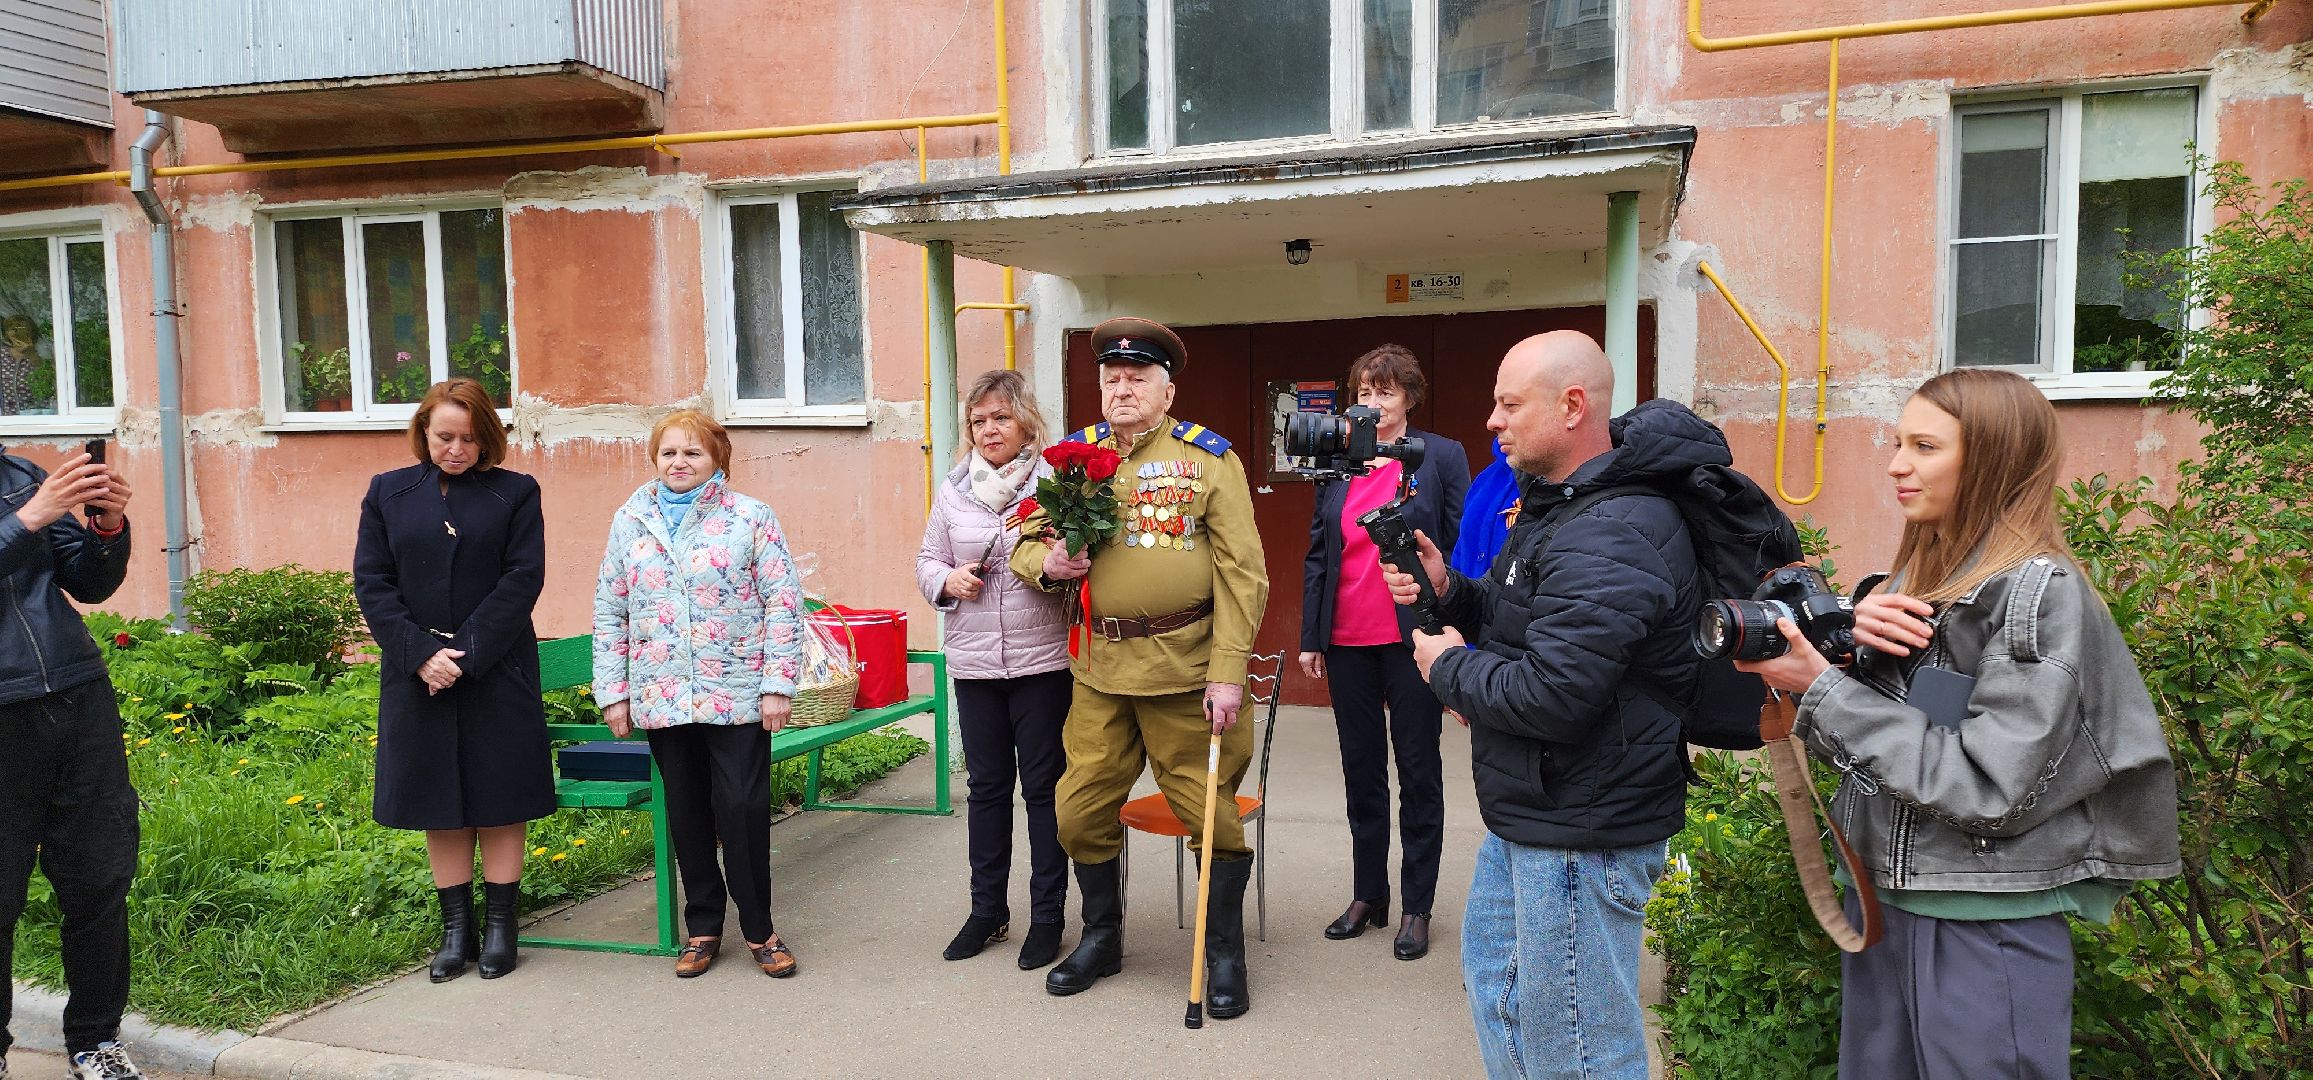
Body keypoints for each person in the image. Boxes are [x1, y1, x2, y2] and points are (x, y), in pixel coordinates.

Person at [1736, 368, 2180, 1079]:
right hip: (1881, 903)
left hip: (1984, 920)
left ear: (1992, 461)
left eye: (1924, 446)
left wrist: (1824, 692)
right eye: (1895, 442)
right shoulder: (1911, 589)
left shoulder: (2038, 593)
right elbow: (1878, 756)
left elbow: (1984, 788)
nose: (1895, 464)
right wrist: (1836, 654)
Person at [1385, 330, 1706, 1080]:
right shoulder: (1562, 506)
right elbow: (1526, 623)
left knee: (1581, 1049)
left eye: (1507, 403)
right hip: (1537, 809)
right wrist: (1448, 591)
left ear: (1570, 406)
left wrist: (1448, 667)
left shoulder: (1611, 529)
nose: (1491, 420)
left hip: (1581, 824)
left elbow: (1553, 693)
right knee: (1506, 997)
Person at [1009, 316, 1269, 1017]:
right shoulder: (1072, 457)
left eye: (1137, 378)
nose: (1122, 388)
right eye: (1112, 378)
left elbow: (1243, 573)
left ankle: (1222, 955)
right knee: (1077, 810)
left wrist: (1226, 671)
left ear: (1166, 388)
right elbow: (1024, 545)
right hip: (1099, 671)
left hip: (1185, 672)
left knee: (1208, 819)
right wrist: (1048, 562)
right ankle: (1101, 937)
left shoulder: (1207, 460)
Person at [593, 410, 805, 980]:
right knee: (686, 813)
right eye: (668, 453)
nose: (679, 463)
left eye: (692, 453)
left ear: (717, 459)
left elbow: (783, 603)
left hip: (735, 693)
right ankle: (703, 926)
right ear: (654, 459)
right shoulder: (631, 521)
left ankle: (759, 929)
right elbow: (611, 610)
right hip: (662, 694)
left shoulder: (750, 517)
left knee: (741, 809)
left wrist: (777, 685)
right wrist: (614, 692)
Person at [353, 378, 551, 984]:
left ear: (485, 438)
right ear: (424, 434)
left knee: (499, 798)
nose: (456, 448)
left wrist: (462, 655)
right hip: (417, 675)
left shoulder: (515, 493)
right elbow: (373, 580)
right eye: (444, 437)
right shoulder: (388, 492)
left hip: (495, 668)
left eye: (467, 438)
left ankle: (500, 929)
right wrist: (420, 654)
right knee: (439, 800)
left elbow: (522, 578)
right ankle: (455, 931)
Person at [1297, 343, 1468, 960]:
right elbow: (1321, 552)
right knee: (1361, 771)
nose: (1372, 404)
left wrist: (1456, 627)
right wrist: (1312, 637)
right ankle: (1369, 893)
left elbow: (1459, 545)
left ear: (1409, 399)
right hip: (1347, 639)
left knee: (1419, 771)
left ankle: (1418, 906)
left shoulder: (1441, 455)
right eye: (1364, 392)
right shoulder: (1339, 461)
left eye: (1385, 393)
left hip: (1413, 638)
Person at [915, 369, 1072, 970]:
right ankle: (988, 912)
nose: (989, 430)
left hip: (1041, 662)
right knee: (986, 790)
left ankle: (1048, 918)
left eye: (1000, 418)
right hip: (975, 664)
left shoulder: (1055, 482)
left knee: (1042, 791)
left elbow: (1073, 554)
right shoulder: (955, 489)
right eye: (979, 421)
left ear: (1024, 420)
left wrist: (1062, 563)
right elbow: (927, 558)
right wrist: (945, 581)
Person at [0, 444, 140, 1079]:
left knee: (100, 878)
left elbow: (88, 583)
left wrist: (106, 526)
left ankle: (96, 1039)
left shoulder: (22, 476)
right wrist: (29, 518)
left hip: (75, 697)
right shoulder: (31, 496)